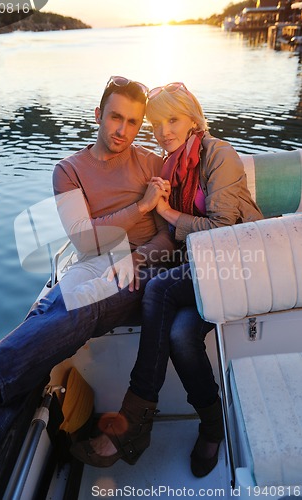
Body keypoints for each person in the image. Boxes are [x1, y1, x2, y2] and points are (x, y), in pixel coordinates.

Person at [0, 76, 176, 453]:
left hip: (141, 267)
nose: (123, 130)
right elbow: (83, 239)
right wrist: (140, 207)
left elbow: (169, 236)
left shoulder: (152, 163)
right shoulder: (68, 171)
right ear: (98, 115)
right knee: (56, 306)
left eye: (133, 122)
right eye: (116, 117)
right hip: (91, 259)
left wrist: (135, 256)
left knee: (79, 307)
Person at [71, 82, 263, 477]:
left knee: (158, 288)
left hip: (237, 263)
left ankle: (134, 416)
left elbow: (222, 228)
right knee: (179, 334)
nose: (164, 132)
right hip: (199, 268)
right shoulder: (172, 164)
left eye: (172, 120)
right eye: (157, 125)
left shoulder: (218, 154)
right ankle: (212, 426)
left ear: (193, 117)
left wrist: (168, 213)